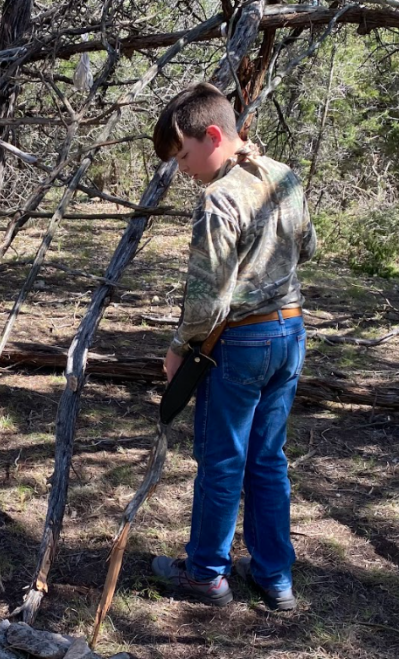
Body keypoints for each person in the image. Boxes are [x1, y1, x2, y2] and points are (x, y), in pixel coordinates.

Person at [149, 83, 316, 611]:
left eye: (183, 155)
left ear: (213, 135)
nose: (183, 169)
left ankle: (205, 574)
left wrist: (179, 347)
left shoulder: (219, 199)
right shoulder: (284, 175)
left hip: (240, 343)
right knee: (268, 460)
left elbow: (207, 302)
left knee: (222, 461)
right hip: (290, 333)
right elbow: (308, 245)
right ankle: (274, 577)